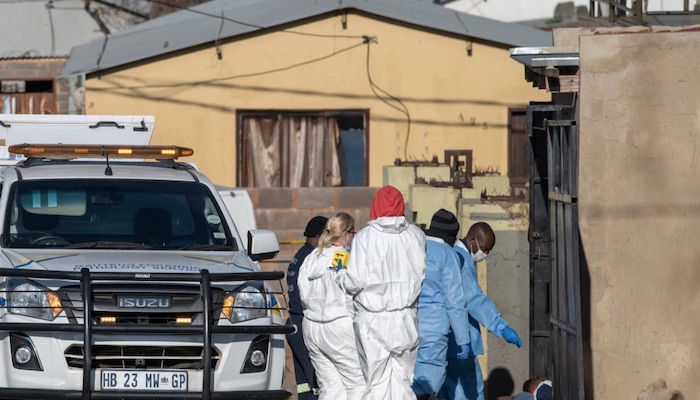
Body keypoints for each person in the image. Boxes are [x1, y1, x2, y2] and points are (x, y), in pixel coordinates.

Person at [336, 185, 426, 400]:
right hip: (405, 318)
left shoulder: (365, 238)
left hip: (373, 320)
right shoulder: (416, 236)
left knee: (377, 381)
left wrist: (341, 275)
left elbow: (355, 280)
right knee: (403, 379)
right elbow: (421, 273)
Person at [441, 221, 523, 400]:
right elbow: (474, 300)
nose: (485, 254)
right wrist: (500, 326)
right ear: (472, 239)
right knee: (470, 393)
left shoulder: (452, 256)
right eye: (484, 249)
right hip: (460, 345)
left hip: (449, 342)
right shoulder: (461, 260)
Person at [297, 212, 365, 400]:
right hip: (338, 325)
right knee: (357, 384)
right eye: (353, 233)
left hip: (311, 326)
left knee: (330, 388)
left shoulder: (312, 258)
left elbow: (302, 290)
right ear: (346, 235)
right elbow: (349, 289)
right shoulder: (341, 257)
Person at [413, 209, 471, 400]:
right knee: (427, 387)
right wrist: (463, 339)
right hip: (434, 330)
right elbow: (455, 301)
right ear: (451, 236)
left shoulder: (415, 247)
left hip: (408, 325)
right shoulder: (448, 255)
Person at [286, 215, 327, 400]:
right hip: (304, 322)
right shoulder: (311, 258)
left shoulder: (300, 255)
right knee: (314, 377)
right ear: (319, 237)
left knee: (303, 380)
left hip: (295, 322)